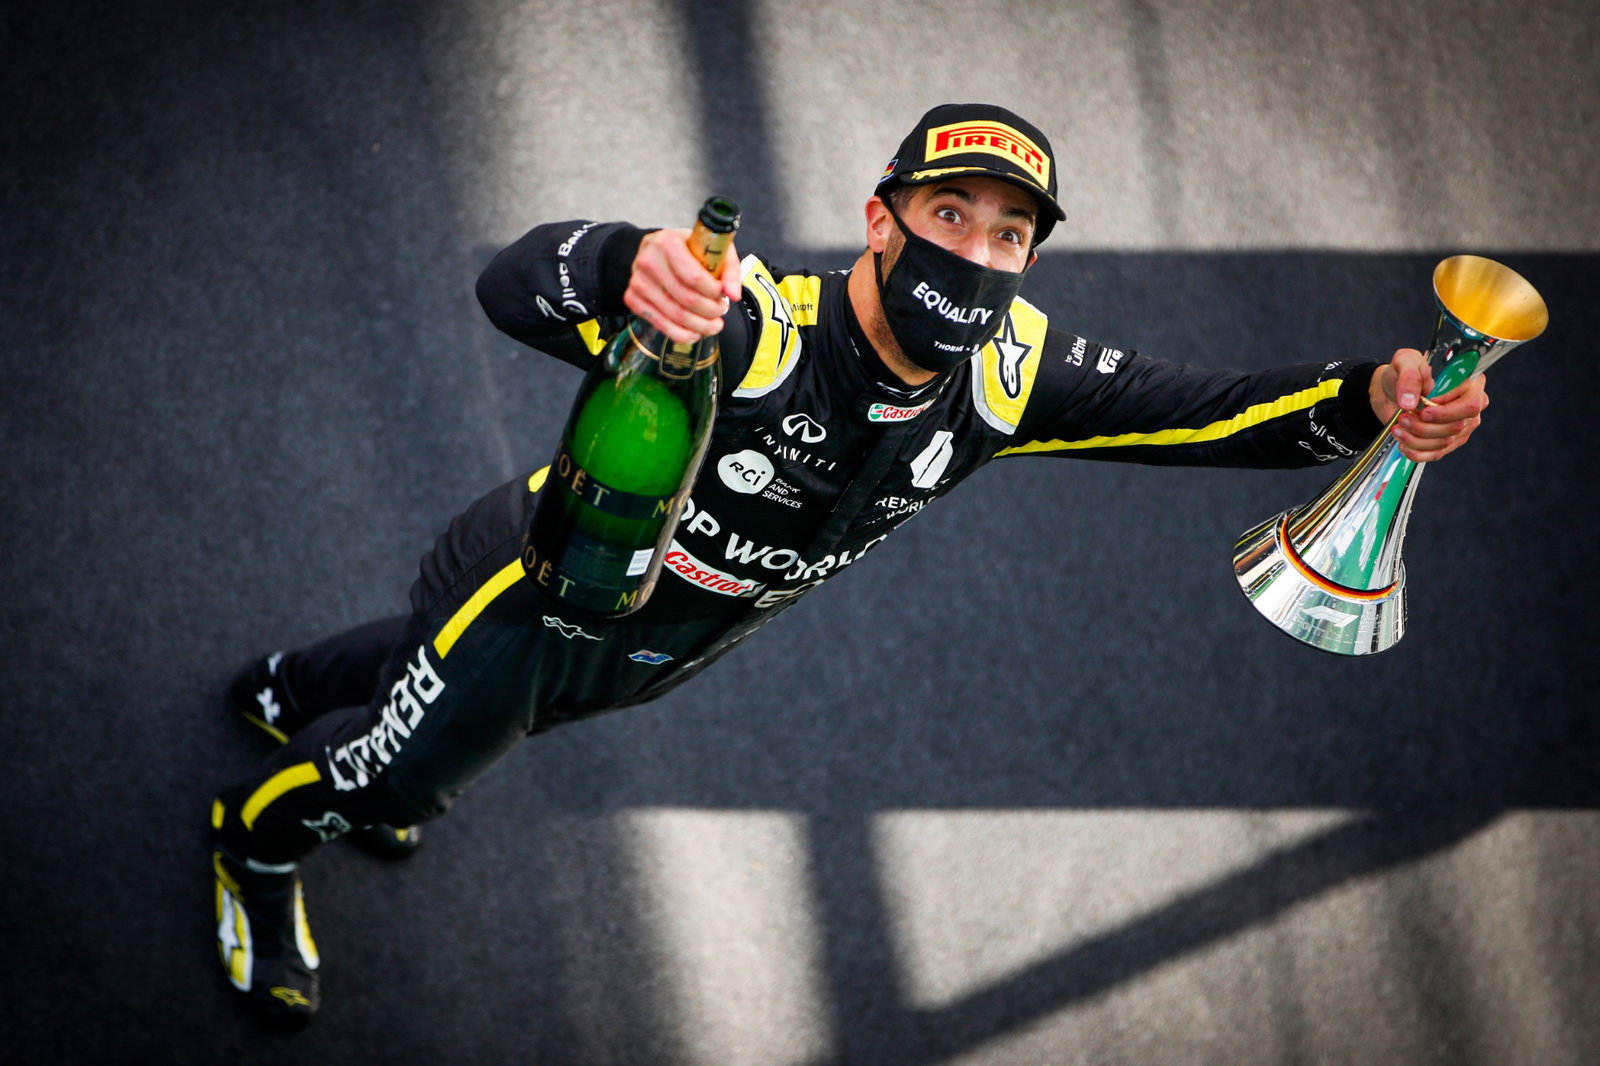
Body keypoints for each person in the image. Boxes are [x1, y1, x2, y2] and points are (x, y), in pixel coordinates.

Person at [209, 103, 1488, 1027]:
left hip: (658, 650)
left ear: (1029, 259)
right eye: (947, 214)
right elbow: (508, 289)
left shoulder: (1009, 373)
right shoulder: (754, 324)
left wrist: (1370, 398)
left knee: (427, 683)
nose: (974, 253)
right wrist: (619, 262)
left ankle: (286, 678)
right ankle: (255, 852)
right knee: (393, 780)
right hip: (535, 597)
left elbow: (1207, 413)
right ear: (879, 218)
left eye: (1006, 236)